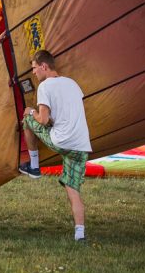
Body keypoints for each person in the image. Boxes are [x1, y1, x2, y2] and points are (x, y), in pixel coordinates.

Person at [19, 50, 92, 241]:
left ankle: (34, 166)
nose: (33, 73)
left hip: (62, 142)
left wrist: (31, 111)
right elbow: (66, 113)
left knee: (27, 119)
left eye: (34, 68)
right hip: (81, 146)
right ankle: (80, 234)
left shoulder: (45, 87)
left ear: (44, 66)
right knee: (72, 187)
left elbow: (42, 120)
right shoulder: (73, 84)